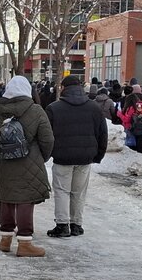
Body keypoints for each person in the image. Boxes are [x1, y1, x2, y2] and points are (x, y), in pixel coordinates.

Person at [0, 75, 55, 257]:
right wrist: (40, 158)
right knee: (25, 200)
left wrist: (4, 154)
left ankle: (5, 240)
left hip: (5, 163)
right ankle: (25, 243)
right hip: (30, 161)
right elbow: (48, 139)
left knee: (7, 198)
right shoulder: (36, 110)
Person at [45, 76, 108, 238]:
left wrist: (47, 154)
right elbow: (102, 134)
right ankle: (76, 224)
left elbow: (46, 136)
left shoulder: (54, 108)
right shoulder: (94, 108)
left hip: (62, 157)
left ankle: (62, 224)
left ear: (63, 88)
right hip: (85, 157)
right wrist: (98, 155)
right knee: (79, 192)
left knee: (62, 190)